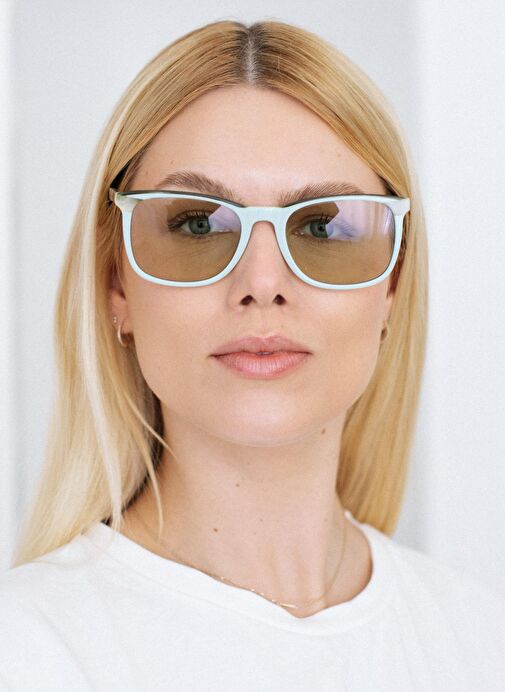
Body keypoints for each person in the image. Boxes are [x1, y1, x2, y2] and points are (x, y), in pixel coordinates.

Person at [1, 18, 504, 692]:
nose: (262, 283)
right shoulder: (27, 650)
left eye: (323, 225)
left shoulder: (479, 640)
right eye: (197, 224)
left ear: (391, 285)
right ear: (116, 285)